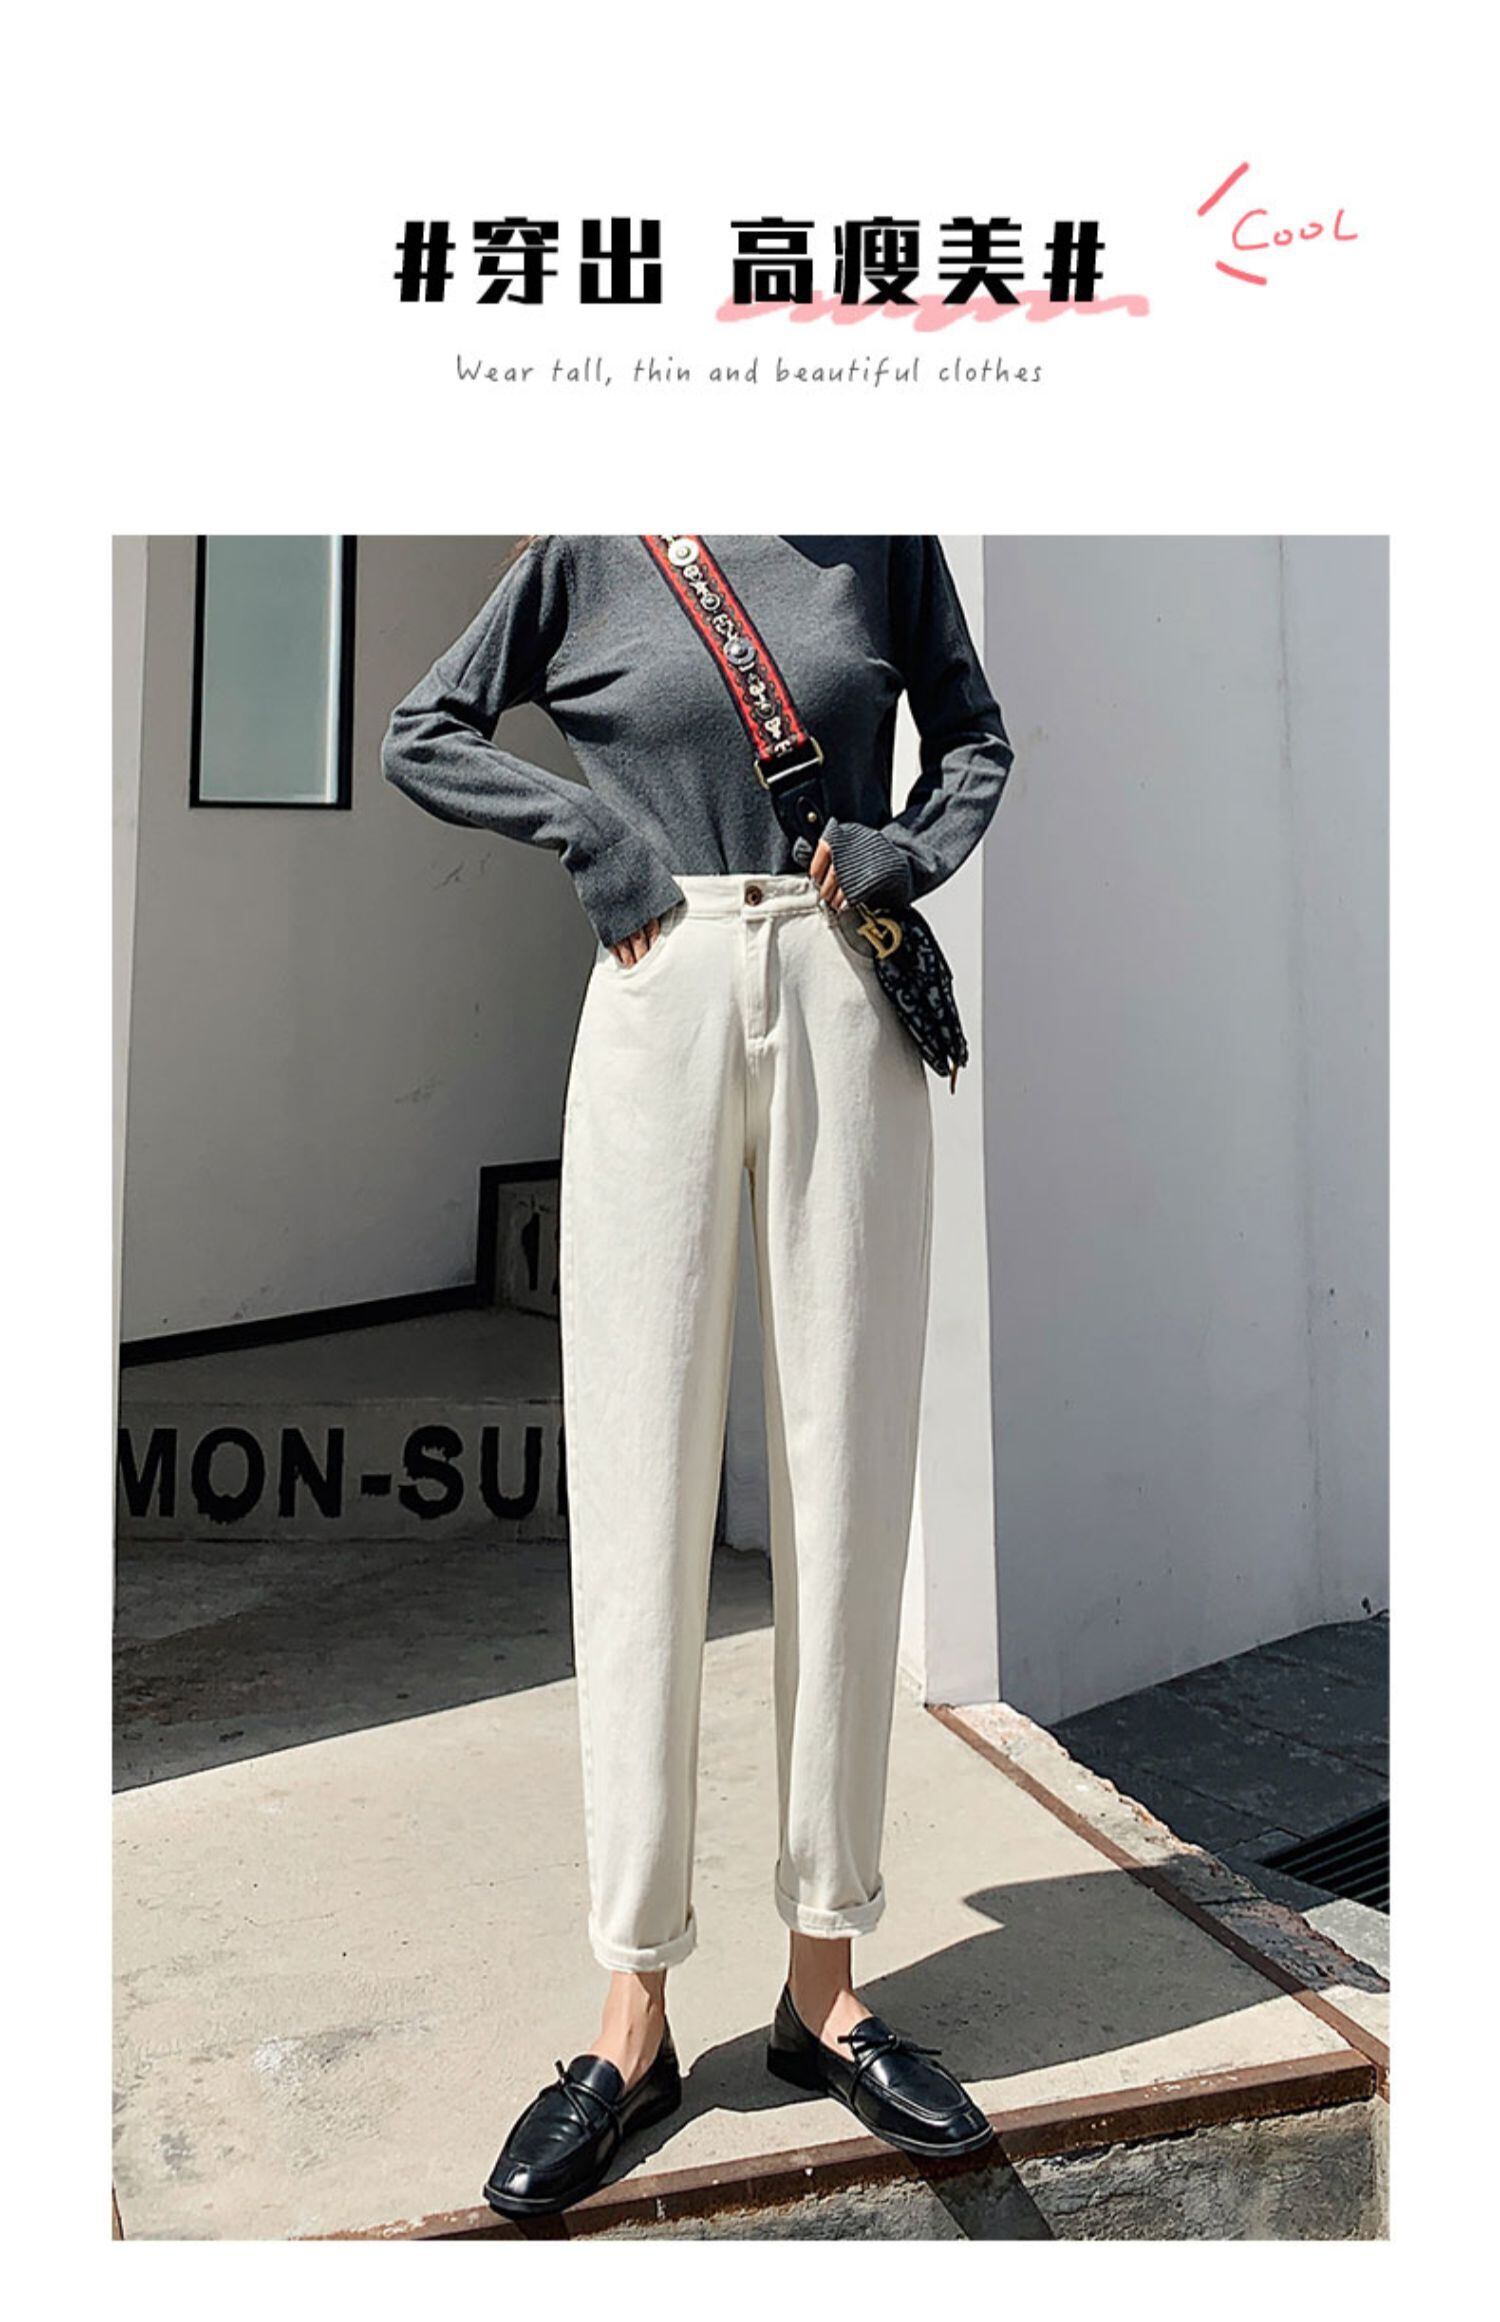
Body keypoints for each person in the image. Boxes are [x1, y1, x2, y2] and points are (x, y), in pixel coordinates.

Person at [381, 534, 1015, 2219]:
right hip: (657, 986)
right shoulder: (594, 546)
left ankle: (827, 1983)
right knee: (640, 1494)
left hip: (844, 985)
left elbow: (976, 740)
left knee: (848, 1485)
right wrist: (591, 832)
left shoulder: (878, 540)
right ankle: (633, 2012)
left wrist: (904, 849)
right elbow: (421, 729)